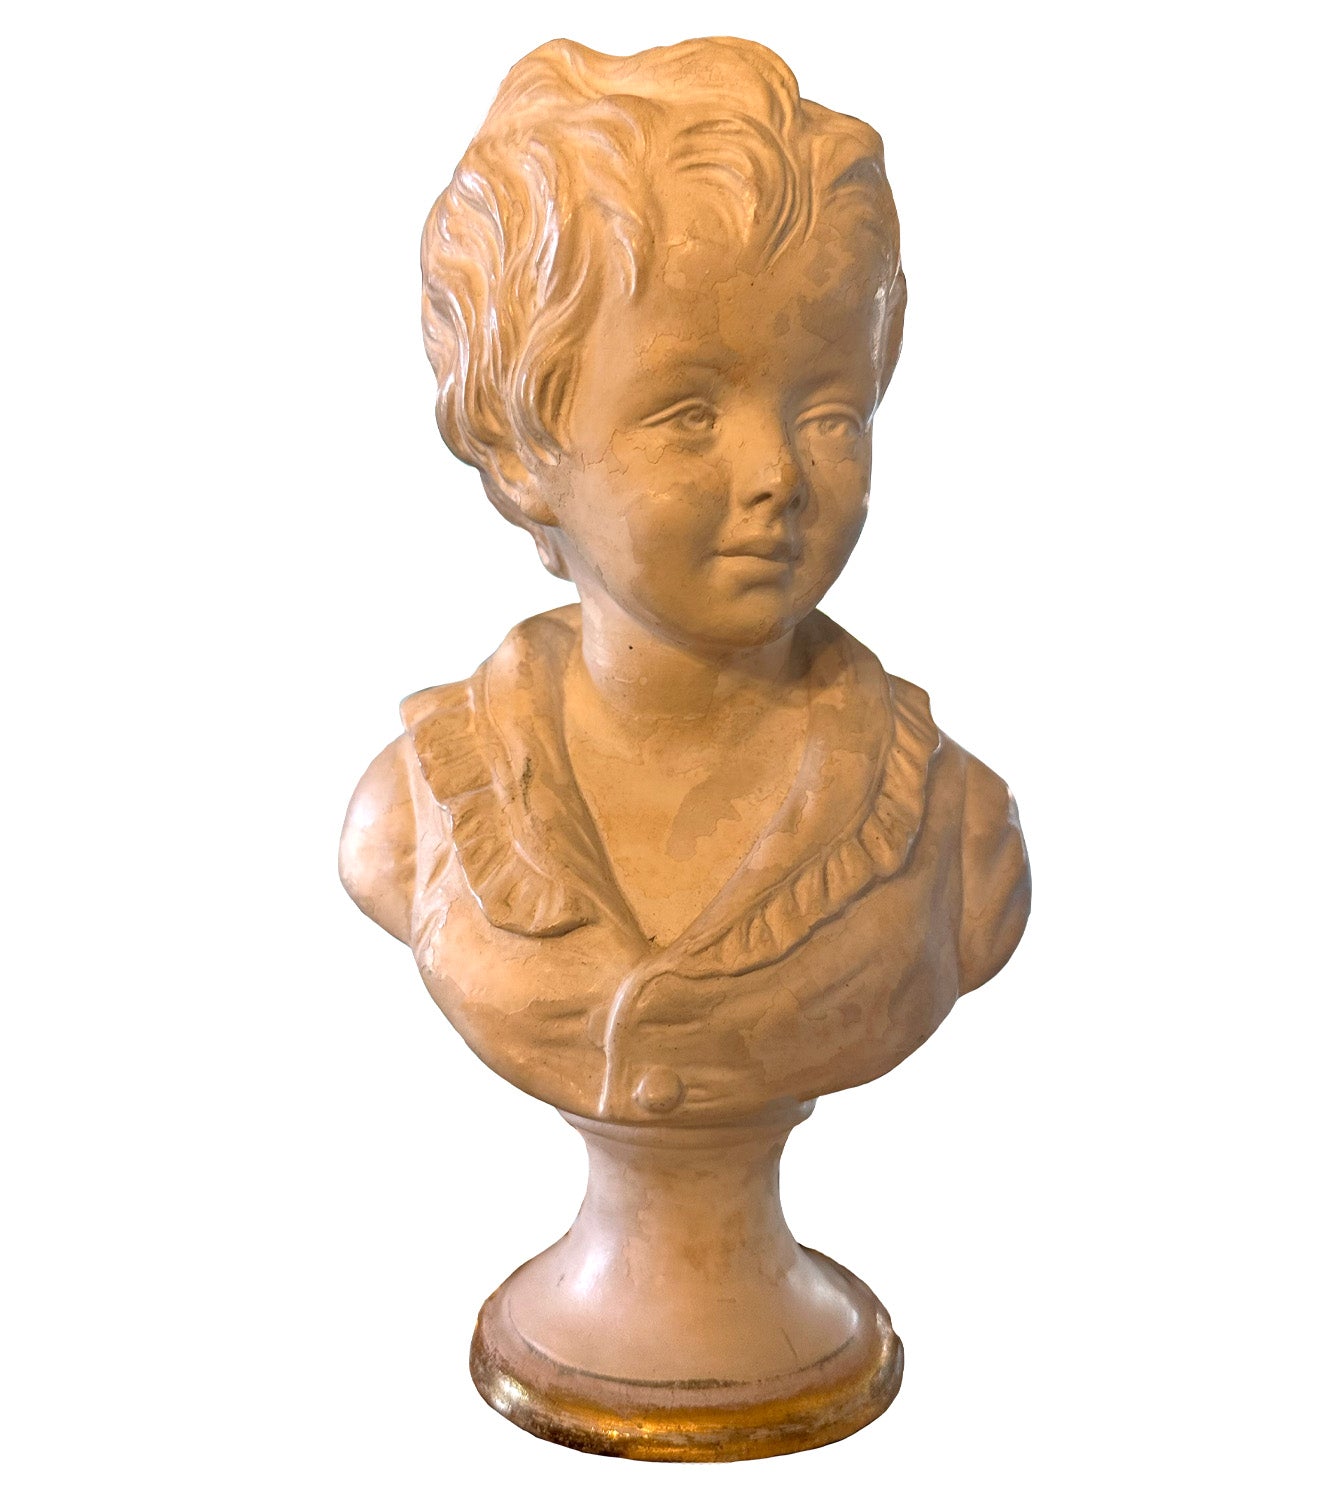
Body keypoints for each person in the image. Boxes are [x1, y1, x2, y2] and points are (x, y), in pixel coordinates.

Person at [340, 36, 1030, 1125]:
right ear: (521, 447)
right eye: (690, 413)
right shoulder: (412, 818)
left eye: (831, 414)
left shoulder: (956, 834)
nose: (777, 475)